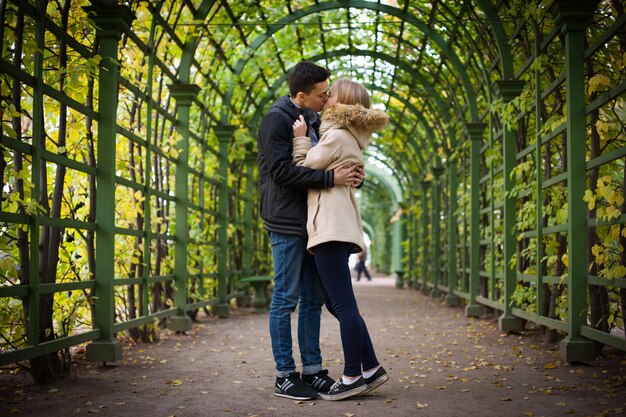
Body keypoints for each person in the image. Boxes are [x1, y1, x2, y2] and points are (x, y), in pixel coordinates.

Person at [256, 62, 364, 401]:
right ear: (302, 95)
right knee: (286, 298)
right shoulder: (277, 120)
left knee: (312, 300)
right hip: (287, 222)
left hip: (313, 224)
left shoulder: (316, 119)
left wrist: (354, 176)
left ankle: (313, 370)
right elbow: (282, 172)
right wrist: (332, 179)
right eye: (322, 94)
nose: (327, 97)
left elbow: (328, 160)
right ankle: (284, 375)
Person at [292, 78, 390, 400]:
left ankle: (352, 376)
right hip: (339, 228)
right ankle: (371, 366)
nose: (326, 98)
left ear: (341, 101)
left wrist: (301, 140)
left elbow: (302, 170)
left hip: (329, 229)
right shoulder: (351, 138)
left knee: (344, 306)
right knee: (336, 302)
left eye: (330, 94)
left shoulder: (334, 136)